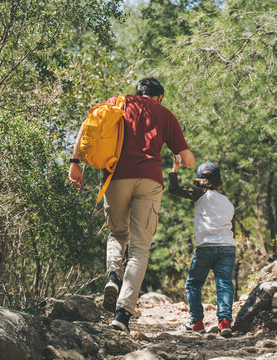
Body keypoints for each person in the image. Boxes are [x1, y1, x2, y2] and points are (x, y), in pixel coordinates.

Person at [69, 78, 194, 333]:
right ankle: (122, 316)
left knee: (117, 234)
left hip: (115, 177)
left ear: (138, 92)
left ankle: (114, 276)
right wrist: (177, 157)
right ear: (159, 97)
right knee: (140, 249)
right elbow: (189, 160)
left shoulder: (118, 102)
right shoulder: (166, 115)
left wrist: (74, 163)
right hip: (150, 181)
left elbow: (88, 124)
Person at [168, 158, 236, 338]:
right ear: (219, 181)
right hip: (228, 246)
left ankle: (197, 323)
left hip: (206, 246)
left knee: (193, 284)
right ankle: (225, 322)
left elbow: (174, 189)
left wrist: (175, 168)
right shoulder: (227, 202)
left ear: (199, 180)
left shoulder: (199, 194)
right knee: (224, 284)